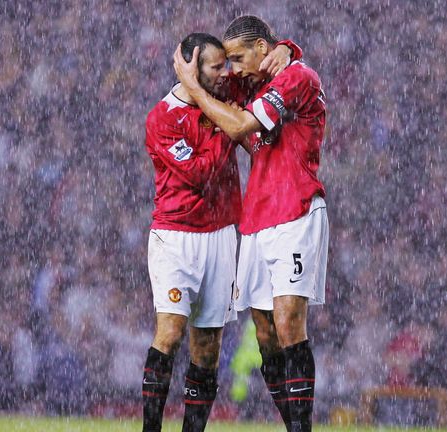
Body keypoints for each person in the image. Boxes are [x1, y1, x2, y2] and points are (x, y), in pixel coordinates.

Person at [173, 15, 328, 432]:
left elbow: (240, 123)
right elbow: (213, 83)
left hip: (295, 211)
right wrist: (190, 71)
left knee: (288, 321)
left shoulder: (298, 77)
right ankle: (291, 422)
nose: (233, 69)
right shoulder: (255, 79)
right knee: (264, 335)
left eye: (238, 58)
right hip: (257, 219)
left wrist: (289, 50)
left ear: (262, 47)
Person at [142, 32, 297, 432]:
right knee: (170, 332)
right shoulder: (162, 117)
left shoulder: (222, 87)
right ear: (191, 67)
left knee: (207, 348)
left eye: (226, 65)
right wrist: (224, 124)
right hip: (176, 237)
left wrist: (286, 48)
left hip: (222, 236)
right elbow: (199, 174)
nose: (225, 73)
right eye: (215, 66)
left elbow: (276, 74)